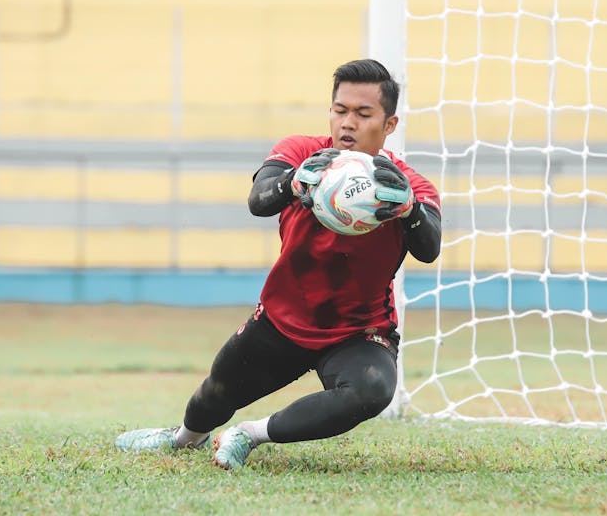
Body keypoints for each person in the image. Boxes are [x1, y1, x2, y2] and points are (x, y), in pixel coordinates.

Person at [115, 58, 442, 470]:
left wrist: (408, 209)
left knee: (371, 391)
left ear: (389, 125)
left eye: (363, 114)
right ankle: (182, 438)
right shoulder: (302, 152)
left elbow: (429, 247)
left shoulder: (407, 185)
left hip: (358, 332)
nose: (348, 123)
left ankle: (248, 435)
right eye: (340, 110)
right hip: (281, 320)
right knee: (215, 394)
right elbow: (259, 200)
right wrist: (295, 182)